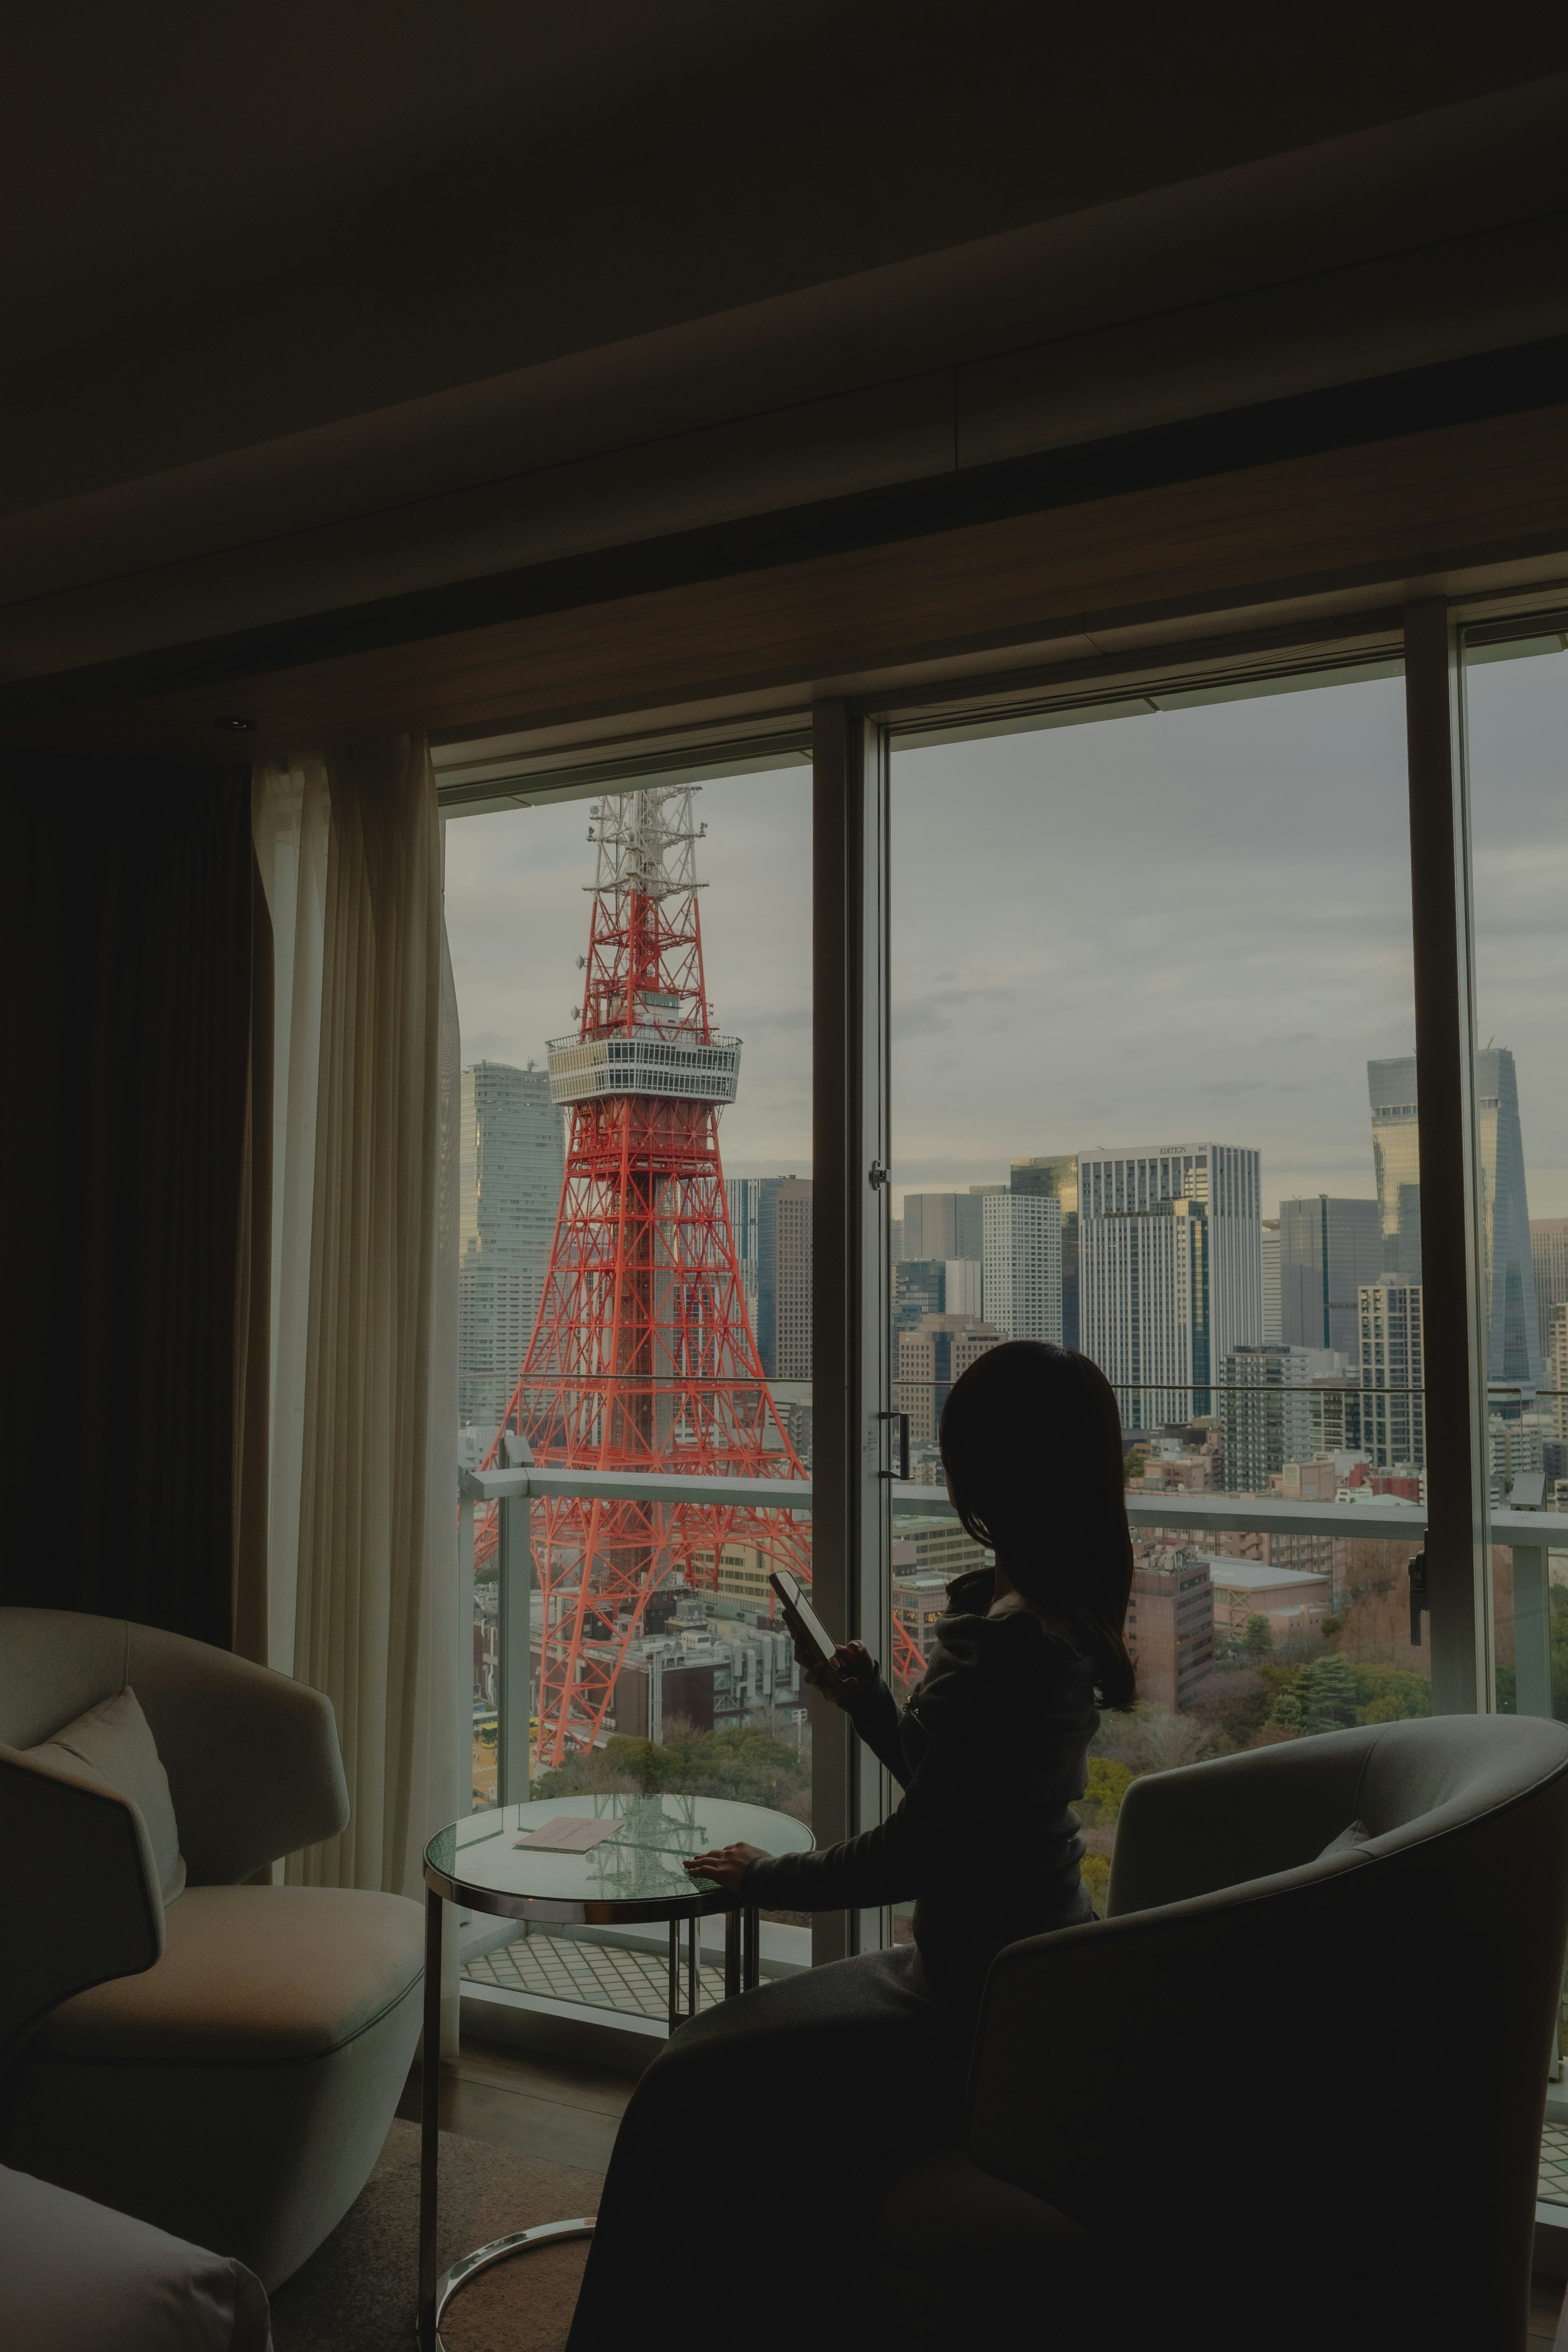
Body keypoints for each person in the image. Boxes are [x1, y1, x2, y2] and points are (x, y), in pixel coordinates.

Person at [565, 1341, 1136, 2352]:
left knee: (678, 2085)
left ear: (985, 1479)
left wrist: (761, 1878)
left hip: (966, 2009)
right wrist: (869, 1700)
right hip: (1027, 1981)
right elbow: (963, 1805)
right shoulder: (1054, 1625)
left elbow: (909, 1856)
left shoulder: (1000, 1652)